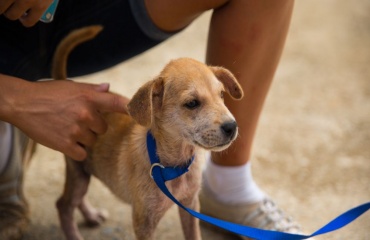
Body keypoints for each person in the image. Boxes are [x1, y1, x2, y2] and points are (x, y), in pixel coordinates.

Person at [0, 0, 300, 239]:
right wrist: (16, 100)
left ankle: (229, 185)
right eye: (192, 104)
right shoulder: (149, 169)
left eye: (220, 95)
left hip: (64, 11)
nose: (227, 118)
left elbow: (189, 206)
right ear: (153, 101)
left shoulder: (193, 162)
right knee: (77, 186)